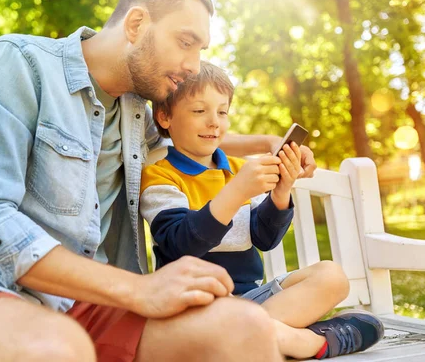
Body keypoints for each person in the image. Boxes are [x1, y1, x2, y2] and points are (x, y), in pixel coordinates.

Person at [0, 0, 320, 362]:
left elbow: (191, 136)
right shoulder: (18, 64)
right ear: (137, 24)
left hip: (91, 305)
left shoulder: (136, 111)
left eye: (200, 49)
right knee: (57, 349)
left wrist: (267, 143)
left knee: (245, 328)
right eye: (185, 41)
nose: (194, 65)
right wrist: (136, 290)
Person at [139, 61, 384, 359]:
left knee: (332, 277)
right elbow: (181, 244)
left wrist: (280, 193)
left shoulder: (240, 169)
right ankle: (310, 341)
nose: (214, 122)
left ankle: (258, 334)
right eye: (199, 111)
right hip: (197, 307)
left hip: (253, 302)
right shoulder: (161, 176)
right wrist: (237, 191)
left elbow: (265, 239)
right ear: (165, 117)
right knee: (222, 320)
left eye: (222, 111)